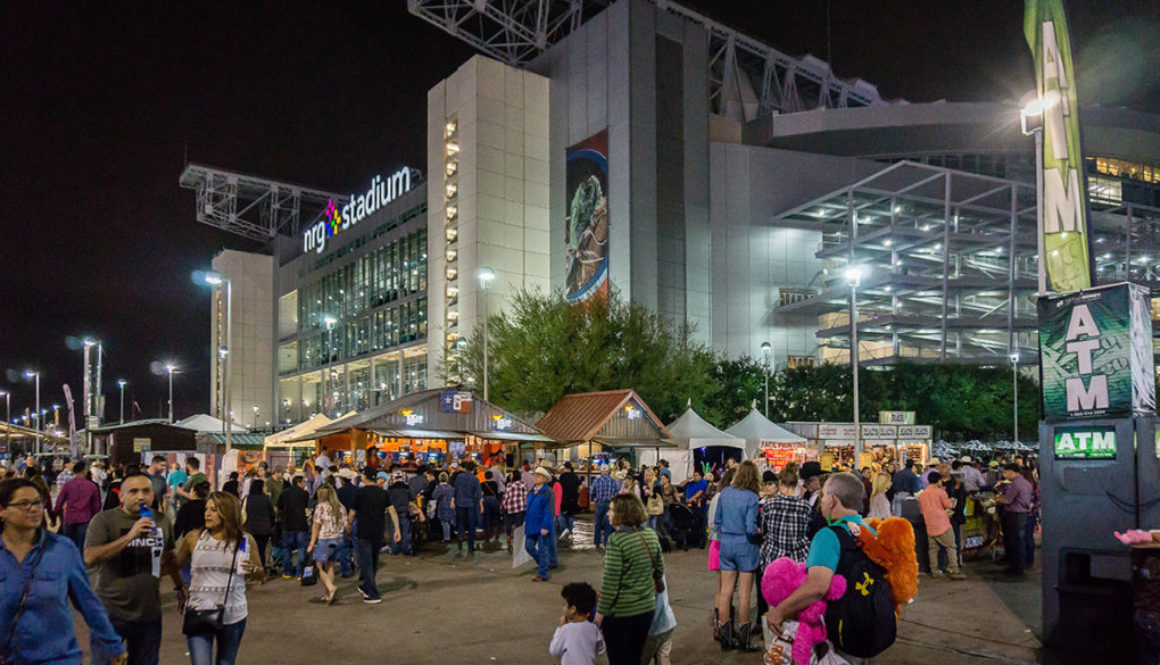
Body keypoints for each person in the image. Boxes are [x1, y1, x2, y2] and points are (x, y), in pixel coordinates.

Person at [1, 478, 127, 665]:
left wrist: (113, 645)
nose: (34, 509)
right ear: (2, 510)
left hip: (57, 658)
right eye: (24, 504)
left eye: (37, 502)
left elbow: (88, 603)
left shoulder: (62, 550)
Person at [766, 472, 886, 664]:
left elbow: (818, 587)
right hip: (870, 629)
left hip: (839, 633)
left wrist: (779, 611)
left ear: (832, 499)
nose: (821, 502)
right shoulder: (871, 532)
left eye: (824, 496)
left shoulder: (828, 536)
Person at [84, 472, 183, 665]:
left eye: (146, 491)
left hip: (149, 613)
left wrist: (179, 586)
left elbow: (169, 558)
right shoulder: (104, 520)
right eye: (133, 491)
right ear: (121, 496)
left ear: (152, 495)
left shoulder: (162, 521)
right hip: (111, 612)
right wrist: (130, 536)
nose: (140, 496)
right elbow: (89, 558)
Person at [174, 491, 265, 665]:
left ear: (227, 512)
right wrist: (179, 586)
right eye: (206, 509)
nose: (207, 514)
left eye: (214, 510)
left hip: (234, 614)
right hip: (199, 612)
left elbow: (261, 574)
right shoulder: (194, 538)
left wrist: (253, 570)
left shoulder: (245, 540)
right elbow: (174, 565)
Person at [595, 493, 663, 665]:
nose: (608, 514)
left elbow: (611, 585)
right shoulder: (650, 535)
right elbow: (659, 569)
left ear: (622, 513)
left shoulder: (617, 541)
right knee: (635, 658)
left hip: (622, 614)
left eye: (611, 510)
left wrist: (598, 618)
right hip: (646, 609)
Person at [713, 460, 763, 651]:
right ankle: (744, 640)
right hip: (745, 545)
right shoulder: (751, 497)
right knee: (744, 595)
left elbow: (717, 521)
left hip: (726, 543)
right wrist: (759, 534)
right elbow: (751, 528)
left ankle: (725, 637)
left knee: (725, 592)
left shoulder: (725, 493)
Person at [757, 467, 812, 622]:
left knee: (773, 598)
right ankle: (791, 636)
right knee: (795, 598)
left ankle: (774, 638)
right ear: (796, 485)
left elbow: (763, 529)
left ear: (780, 483)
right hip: (798, 557)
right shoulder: (805, 506)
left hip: (774, 555)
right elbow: (808, 530)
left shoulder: (769, 505)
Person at [348, 468, 401, 604]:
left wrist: (347, 526)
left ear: (365, 477)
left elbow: (352, 514)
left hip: (364, 531)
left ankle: (373, 594)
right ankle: (366, 586)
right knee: (373, 560)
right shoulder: (382, 493)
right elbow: (392, 510)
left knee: (366, 563)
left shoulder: (359, 493)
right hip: (378, 531)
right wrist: (397, 530)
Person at [918, 471, 965, 580]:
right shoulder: (940, 492)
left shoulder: (922, 495)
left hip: (930, 524)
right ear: (938, 481)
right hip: (942, 524)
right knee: (951, 547)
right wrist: (953, 501)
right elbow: (949, 505)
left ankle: (934, 571)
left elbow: (921, 510)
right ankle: (955, 571)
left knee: (933, 549)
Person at [307, 484, 347, 604]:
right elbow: (346, 524)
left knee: (318, 567)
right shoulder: (341, 507)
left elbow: (316, 526)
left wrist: (312, 543)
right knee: (330, 566)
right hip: (339, 539)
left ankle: (331, 588)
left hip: (325, 539)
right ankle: (328, 594)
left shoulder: (321, 507)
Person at [550, 582, 605, 665]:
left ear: (573, 609)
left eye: (565, 605)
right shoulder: (593, 628)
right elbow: (601, 649)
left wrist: (560, 628)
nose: (563, 608)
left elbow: (554, 650)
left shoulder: (566, 629)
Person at [994, 462, 1033, 575]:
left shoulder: (1015, 484)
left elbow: (1007, 500)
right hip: (1023, 515)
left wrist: (998, 498)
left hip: (1014, 515)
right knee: (1020, 541)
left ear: (1012, 472)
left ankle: (1016, 567)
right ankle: (1020, 565)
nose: (1004, 475)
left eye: (1005, 472)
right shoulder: (1026, 483)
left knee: (1015, 542)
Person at [54, 460, 102, 550]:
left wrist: (54, 516)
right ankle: (80, 562)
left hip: (69, 518)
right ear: (84, 471)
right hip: (85, 519)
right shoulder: (92, 486)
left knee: (69, 546)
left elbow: (59, 502)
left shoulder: (68, 485)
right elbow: (96, 506)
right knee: (82, 545)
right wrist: (95, 518)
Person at [525, 466, 556, 582]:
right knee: (529, 547)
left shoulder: (548, 492)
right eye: (535, 475)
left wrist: (546, 526)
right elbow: (528, 507)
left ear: (544, 478)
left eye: (538, 476)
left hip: (542, 525)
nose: (535, 477)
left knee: (543, 549)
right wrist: (525, 519)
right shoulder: (532, 491)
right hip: (531, 524)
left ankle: (543, 573)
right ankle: (544, 563)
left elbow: (549, 511)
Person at [276, 475, 310, 579]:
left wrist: (278, 518)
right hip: (301, 525)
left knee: (286, 548)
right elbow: (306, 508)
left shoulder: (284, 493)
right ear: (299, 483)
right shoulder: (304, 494)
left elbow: (277, 507)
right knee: (301, 548)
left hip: (287, 524)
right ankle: (300, 573)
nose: (305, 485)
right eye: (304, 482)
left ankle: (287, 572)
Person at [641, 573, 676, 665]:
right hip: (666, 623)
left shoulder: (640, 570)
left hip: (650, 629)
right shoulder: (658, 565)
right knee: (663, 659)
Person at [241, 479, 275, 570]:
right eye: (264, 486)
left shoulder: (246, 498)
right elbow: (272, 514)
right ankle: (260, 571)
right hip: (264, 530)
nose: (265, 488)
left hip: (249, 529)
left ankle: (248, 571)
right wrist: (271, 526)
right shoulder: (266, 499)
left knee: (248, 551)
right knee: (261, 551)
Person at [453, 460, 483, 553]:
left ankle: (460, 536)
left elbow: (456, 490)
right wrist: (480, 504)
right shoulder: (475, 479)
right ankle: (470, 546)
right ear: (473, 469)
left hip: (460, 502)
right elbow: (478, 494)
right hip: (470, 503)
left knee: (461, 522)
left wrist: (453, 500)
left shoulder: (459, 477)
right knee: (471, 525)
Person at [590, 464, 620, 550]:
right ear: (608, 471)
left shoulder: (597, 480)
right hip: (609, 504)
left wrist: (596, 498)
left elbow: (591, 492)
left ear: (601, 471)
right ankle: (607, 543)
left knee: (598, 523)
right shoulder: (613, 481)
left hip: (599, 503)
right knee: (608, 524)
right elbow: (618, 493)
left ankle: (597, 543)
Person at [387, 470, 416, 555]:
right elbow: (412, 499)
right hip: (404, 511)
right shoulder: (407, 488)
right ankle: (406, 549)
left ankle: (394, 549)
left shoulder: (390, 489)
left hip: (393, 512)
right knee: (405, 531)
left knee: (394, 530)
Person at [501, 468, 528, 553]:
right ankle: (518, 543)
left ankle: (509, 536)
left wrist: (503, 505)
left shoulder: (509, 485)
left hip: (510, 508)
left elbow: (505, 497)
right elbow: (526, 496)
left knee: (508, 524)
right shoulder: (523, 484)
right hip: (520, 508)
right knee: (519, 525)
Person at [558, 462, 582, 539]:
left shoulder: (562, 476)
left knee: (563, 516)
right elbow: (579, 487)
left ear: (565, 468)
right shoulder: (575, 476)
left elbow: (559, 487)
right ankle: (570, 533)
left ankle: (565, 529)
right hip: (573, 500)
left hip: (564, 499)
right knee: (571, 517)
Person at [432, 472, 456, 542]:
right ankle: (453, 534)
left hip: (443, 505)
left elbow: (434, 496)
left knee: (444, 522)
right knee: (451, 520)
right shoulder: (451, 488)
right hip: (451, 504)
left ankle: (447, 537)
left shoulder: (439, 488)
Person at [482, 470, 502, 545]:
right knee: (495, 515)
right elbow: (496, 493)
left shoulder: (482, 484)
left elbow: (481, 493)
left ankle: (488, 532)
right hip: (494, 500)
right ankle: (496, 531)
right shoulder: (495, 483)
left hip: (486, 500)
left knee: (487, 516)